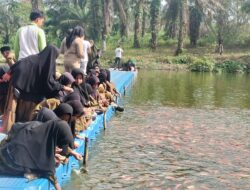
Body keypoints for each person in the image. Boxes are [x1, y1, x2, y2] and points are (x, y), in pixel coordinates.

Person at [2, 45, 73, 132]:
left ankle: (11, 131)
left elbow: (19, 63)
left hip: (17, 86)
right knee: (23, 116)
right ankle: (18, 132)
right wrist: (63, 87)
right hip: (24, 90)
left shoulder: (33, 58)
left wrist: (9, 72)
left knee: (14, 113)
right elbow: (49, 82)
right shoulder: (46, 65)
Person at [0, 120, 75, 190]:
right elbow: (48, 170)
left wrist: (72, 153)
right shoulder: (43, 145)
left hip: (5, 149)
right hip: (11, 162)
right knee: (40, 170)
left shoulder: (38, 126)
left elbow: (15, 127)